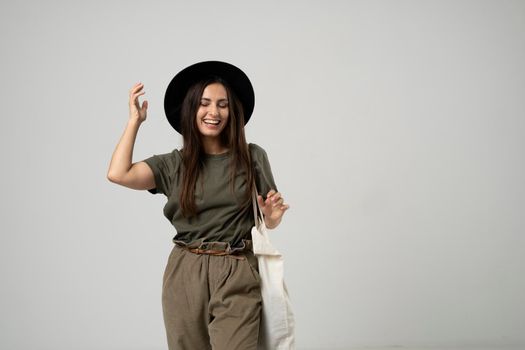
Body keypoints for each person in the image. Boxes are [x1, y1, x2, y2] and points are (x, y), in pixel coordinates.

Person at [106, 61, 289, 350]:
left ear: (234, 111)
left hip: (238, 266)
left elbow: (270, 217)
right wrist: (134, 122)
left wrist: (272, 216)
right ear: (192, 110)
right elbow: (119, 173)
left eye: (222, 104)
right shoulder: (173, 164)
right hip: (185, 270)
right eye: (204, 104)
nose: (213, 112)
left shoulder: (252, 157)